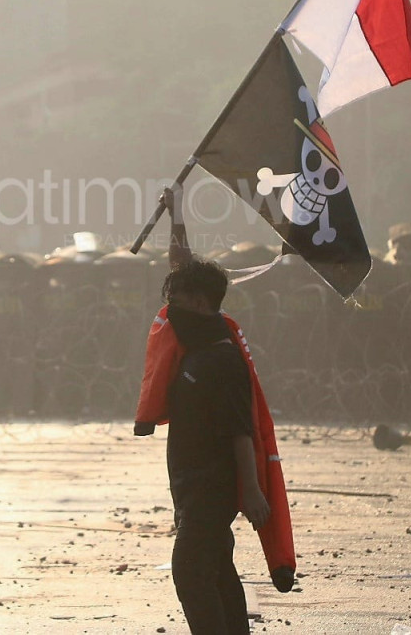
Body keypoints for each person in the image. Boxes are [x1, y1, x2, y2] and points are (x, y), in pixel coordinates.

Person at [138, 186, 271, 635]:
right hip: (191, 485)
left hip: (212, 488)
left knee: (192, 575)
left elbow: (240, 431)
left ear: (198, 302)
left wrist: (250, 491)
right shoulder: (194, 333)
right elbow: (183, 268)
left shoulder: (219, 356)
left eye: (177, 297)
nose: (168, 306)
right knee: (218, 570)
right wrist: (176, 216)